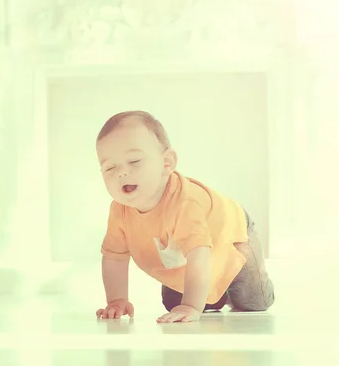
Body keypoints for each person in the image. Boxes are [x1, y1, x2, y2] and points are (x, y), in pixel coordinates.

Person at [95, 111, 274, 323]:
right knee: (176, 304)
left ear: (167, 163)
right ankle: (216, 295)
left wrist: (191, 306)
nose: (121, 172)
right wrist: (117, 300)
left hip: (233, 234)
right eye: (110, 167)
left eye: (134, 161)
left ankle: (244, 280)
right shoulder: (119, 211)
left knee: (253, 301)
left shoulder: (184, 203)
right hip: (183, 254)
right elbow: (115, 257)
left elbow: (198, 254)